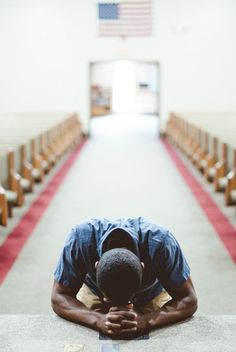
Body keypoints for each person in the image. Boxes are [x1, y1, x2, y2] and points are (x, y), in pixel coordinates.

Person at [51, 217, 197, 338]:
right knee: (86, 337)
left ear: (142, 267)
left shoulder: (162, 243)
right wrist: (97, 320)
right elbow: (59, 296)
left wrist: (147, 321)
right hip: (95, 293)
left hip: (150, 294)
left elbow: (189, 299)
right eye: (111, 301)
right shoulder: (79, 239)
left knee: (160, 339)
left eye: (129, 301)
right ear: (97, 267)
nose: (121, 308)